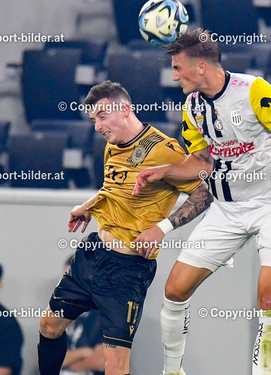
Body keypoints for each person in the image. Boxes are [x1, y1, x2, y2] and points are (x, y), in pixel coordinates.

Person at [133, 28, 271, 375]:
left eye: (177, 68)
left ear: (201, 67)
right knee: (174, 290)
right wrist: (166, 171)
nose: (174, 76)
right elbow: (202, 162)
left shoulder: (253, 91)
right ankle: (172, 372)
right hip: (227, 209)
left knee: (270, 295)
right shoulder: (192, 107)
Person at [37, 81, 213, 375]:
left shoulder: (163, 151)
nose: (97, 126)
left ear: (125, 109)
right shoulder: (111, 145)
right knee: (48, 326)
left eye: (102, 116)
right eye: (93, 119)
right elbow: (113, 187)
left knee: (115, 365)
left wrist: (161, 228)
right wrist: (89, 205)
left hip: (126, 270)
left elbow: (204, 194)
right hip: (93, 253)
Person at [60, 257, 105, 375]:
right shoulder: (59, 313)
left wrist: (70, 364)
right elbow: (44, 358)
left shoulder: (107, 313)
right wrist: (84, 352)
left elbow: (102, 360)